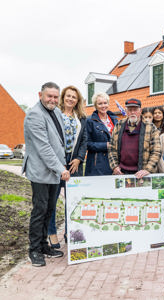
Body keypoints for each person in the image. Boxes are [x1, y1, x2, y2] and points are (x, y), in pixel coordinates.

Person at [23, 82, 70, 266]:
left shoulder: (56, 111)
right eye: (49, 96)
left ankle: (43, 245)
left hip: (55, 172)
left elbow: (59, 142)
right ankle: (34, 250)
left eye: (55, 97)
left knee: (49, 209)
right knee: (39, 210)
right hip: (41, 171)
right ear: (40, 94)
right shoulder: (35, 115)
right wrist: (61, 169)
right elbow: (44, 148)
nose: (53, 100)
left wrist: (62, 166)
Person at [48, 86, 88, 248]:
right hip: (57, 162)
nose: (71, 99)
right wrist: (58, 163)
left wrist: (79, 158)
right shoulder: (54, 115)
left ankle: (69, 232)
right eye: (68, 96)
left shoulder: (82, 118)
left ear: (77, 101)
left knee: (73, 201)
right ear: (63, 97)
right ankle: (51, 234)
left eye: (74, 97)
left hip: (74, 164)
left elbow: (84, 140)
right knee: (52, 200)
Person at [108, 98, 161, 178]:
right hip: (121, 172)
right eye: (129, 110)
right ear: (126, 111)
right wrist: (115, 166)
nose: (132, 112)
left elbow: (156, 151)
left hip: (142, 173)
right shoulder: (119, 125)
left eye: (135, 109)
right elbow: (112, 148)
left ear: (140, 111)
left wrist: (147, 169)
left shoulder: (150, 127)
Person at [85, 92, 118, 176]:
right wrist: (105, 145)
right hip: (98, 163)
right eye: (100, 104)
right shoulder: (90, 121)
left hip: (114, 162)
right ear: (95, 105)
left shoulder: (115, 120)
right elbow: (87, 144)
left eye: (105, 103)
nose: (103, 106)